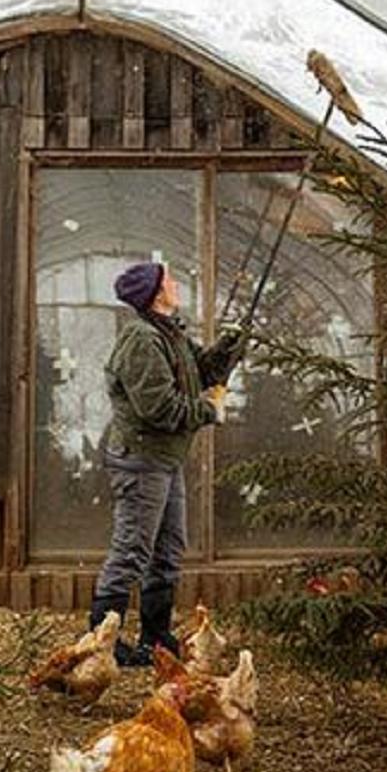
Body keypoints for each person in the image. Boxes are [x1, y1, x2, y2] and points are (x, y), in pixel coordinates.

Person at [88, 261, 247, 666]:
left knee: (167, 549)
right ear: (156, 292)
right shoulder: (142, 340)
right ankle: (100, 642)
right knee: (132, 551)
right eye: (169, 279)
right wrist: (209, 410)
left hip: (164, 460)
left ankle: (155, 639)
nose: (175, 284)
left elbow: (202, 370)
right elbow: (159, 408)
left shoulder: (168, 332)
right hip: (141, 461)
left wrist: (230, 348)